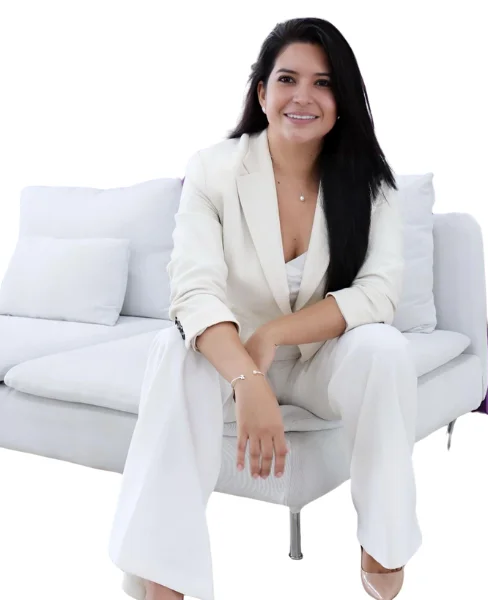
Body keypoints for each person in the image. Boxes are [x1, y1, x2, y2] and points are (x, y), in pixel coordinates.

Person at [107, 16, 422, 600]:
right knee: (171, 351)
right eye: (287, 79)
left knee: (384, 347)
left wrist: (273, 335)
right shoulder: (214, 169)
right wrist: (248, 379)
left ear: (342, 101)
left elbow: (378, 293)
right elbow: (194, 291)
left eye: (323, 83)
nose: (303, 96)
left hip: (319, 361)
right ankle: (164, 582)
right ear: (261, 93)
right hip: (229, 358)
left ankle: (383, 537)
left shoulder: (372, 185)